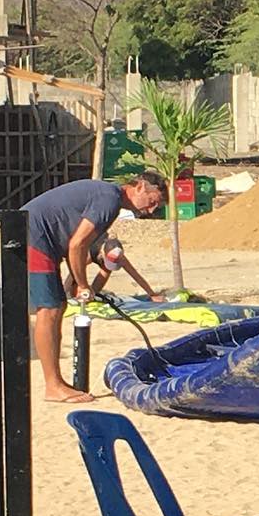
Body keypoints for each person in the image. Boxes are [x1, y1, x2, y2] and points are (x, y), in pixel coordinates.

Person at [24, 171, 165, 403]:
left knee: (57, 306)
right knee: (48, 309)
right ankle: (53, 386)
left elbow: (78, 243)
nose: (150, 211)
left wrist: (82, 285)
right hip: (34, 233)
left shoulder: (109, 201)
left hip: (40, 234)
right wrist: (82, 284)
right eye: (152, 202)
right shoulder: (109, 200)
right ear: (140, 186)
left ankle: (56, 382)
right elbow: (77, 244)